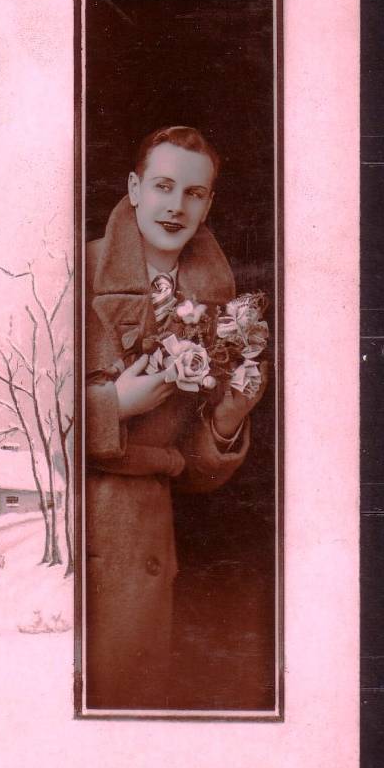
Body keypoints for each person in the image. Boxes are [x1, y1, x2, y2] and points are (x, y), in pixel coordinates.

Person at [85, 125, 268, 710]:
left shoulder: (222, 306)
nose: (176, 206)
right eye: (163, 186)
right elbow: (27, 420)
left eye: (194, 193)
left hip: (149, 543)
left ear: (209, 203)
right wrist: (116, 406)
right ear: (134, 188)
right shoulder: (75, 272)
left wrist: (229, 419)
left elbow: (191, 469)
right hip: (78, 533)